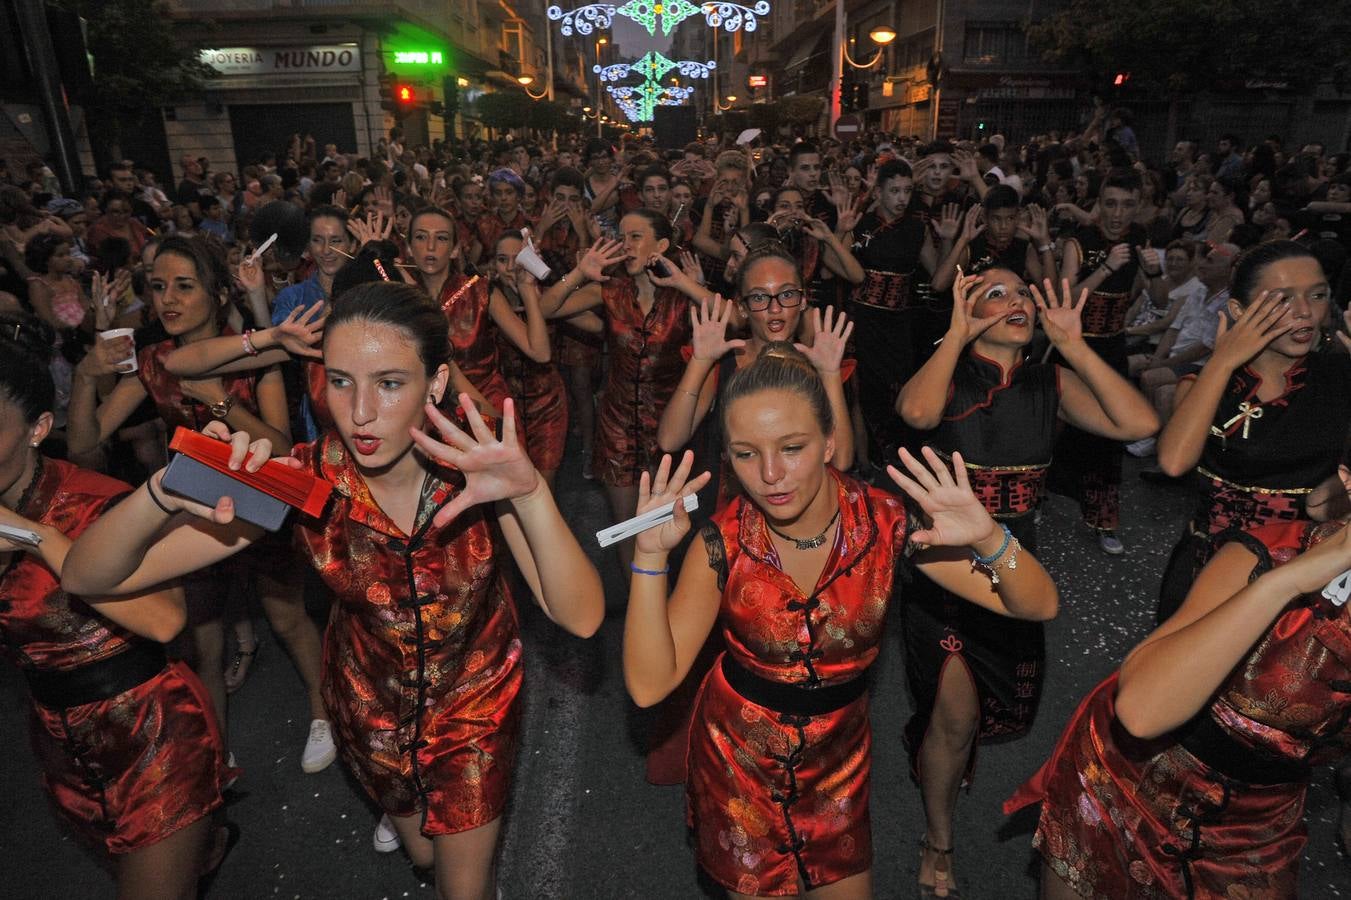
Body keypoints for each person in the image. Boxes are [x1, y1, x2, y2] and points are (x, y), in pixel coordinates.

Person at [60, 281, 606, 900]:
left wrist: (529, 493)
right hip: (367, 705)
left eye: (390, 383)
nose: (361, 412)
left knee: (464, 884)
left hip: (474, 704)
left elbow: (581, 617)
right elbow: (87, 577)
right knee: (425, 853)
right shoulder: (302, 482)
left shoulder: (476, 468)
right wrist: (166, 487)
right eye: (341, 381)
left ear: (436, 385)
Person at [622, 345, 1059, 899]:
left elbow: (1037, 604)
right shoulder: (723, 543)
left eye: (792, 447)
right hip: (739, 764)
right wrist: (650, 557)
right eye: (747, 454)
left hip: (838, 766)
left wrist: (990, 537)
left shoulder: (887, 524)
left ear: (829, 441)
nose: (772, 475)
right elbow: (648, 684)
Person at [896, 270, 1157, 898]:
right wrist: (956, 336)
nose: (1016, 302)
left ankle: (946, 770)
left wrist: (1074, 345)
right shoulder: (948, 372)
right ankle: (939, 837)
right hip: (944, 565)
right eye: (995, 293)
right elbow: (917, 411)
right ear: (966, 308)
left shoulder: (1050, 382)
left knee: (989, 706)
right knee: (954, 716)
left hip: (1017, 561)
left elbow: (1138, 422)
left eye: (1022, 294)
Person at [1005, 460, 1351, 899]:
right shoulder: (1271, 554)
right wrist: (1288, 583)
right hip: (1132, 779)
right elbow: (1143, 712)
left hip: (1259, 828)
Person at [64, 236, 334, 774]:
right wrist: (84, 377)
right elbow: (85, 446)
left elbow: (282, 450)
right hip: (194, 514)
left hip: (261, 509)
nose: (168, 300)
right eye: (158, 287)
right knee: (203, 640)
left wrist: (220, 401)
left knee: (287, 618)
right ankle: (214, 753)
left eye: (184, 287)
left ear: (215, 293)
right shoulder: (154, 361)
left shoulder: (257, 350)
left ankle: (323, 711)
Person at [0, 314, 236, 898]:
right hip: (63, 750)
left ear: (37, 429)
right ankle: (207, 845)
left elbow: (165, 619)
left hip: (151, 740)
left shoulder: (92, 503)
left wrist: (30, 535)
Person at [1152, 240, 1351, 623]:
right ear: (1239, 311)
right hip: (1209, 571)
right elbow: (1174, 461)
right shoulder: (1207, 384)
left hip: (1305, 577)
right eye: (1282, 299)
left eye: (1318, 294)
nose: (1305, 312)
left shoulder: (1340, 376)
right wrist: (1223, 360)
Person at [541, 208, 689, 573]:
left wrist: (686, 283)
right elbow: (547, 308)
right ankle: (637, 607)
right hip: (618, 427)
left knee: (666, 529)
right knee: (628, 531)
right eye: (622, 237)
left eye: (636, 236)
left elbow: (735, 320)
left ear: (662, 245)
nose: (626, 245)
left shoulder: (682, 298)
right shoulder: (611, 289)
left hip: (668, 430)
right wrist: (579, 273)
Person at [1049, 169, 1165, 555]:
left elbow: (1162, 298)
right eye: (1111, 203)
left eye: (1127, 205)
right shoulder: (1080, 242)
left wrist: (1154, 271)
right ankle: (1035, 495)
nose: (1118, 213)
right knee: (1054, 427)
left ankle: (1104, 520)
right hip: (1073, 346)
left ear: (1139, 206)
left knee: (1109, 435)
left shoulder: (1139, 239)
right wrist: (1106, 268)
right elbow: (1067, 299)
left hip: (1111, 348)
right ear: (1099, 203)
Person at [845, 160, 958, 469]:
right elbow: (839, 267)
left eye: (907, 191)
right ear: (878, 192)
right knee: (866, 391)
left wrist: (948, 238)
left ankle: (897, 455)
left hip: (900, 321)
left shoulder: (916, 228)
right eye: (894, 190)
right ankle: (869, 460)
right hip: (864, 321)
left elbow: (938, 277)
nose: (902, 198)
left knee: (901, 386)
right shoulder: (862, 225)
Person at [486, 231, 564, 489]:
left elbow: (597, 324)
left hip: (548, 404)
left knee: (543, 489)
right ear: (492, 266)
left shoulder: (547, 298)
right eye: (502, 259)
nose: (510, 268)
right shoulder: (484, 301)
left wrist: (530, 290)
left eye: (517, 259)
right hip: (504, 408)